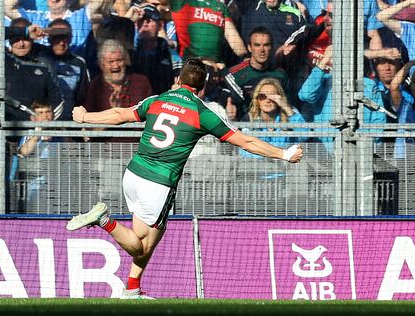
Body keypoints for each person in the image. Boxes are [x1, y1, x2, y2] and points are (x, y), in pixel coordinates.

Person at [66, 58, 303, 299]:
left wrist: (86, 117)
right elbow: (246, 141)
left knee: (153, 235)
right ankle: (104, 220)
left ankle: (132, 289)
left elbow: (119, 114)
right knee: (140, 246)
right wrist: (283, 154)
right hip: (158, 184)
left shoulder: (156, 100)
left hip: (133, 174)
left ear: (178, 80)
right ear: (203, 86)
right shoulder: (202, 112)